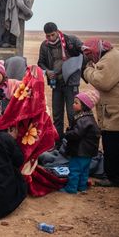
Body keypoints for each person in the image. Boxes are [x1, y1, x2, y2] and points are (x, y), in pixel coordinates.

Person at [0, 65, 64, 196]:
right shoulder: (33, 92)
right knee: (29, 159)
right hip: (29, 134)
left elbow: (13, 110)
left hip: (25, 134)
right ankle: (24, 182)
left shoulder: (23, 90)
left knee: (25, 159)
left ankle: (23, 182)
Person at [37, 22, 83, 144]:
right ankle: (58, 143)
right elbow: (40, 63)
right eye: (48, 36)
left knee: (73, 114)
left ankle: (74, 143)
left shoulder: (70, 40)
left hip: (71, 83)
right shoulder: (44, 46)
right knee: (57, 115)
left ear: (57, 31)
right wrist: (47, 71)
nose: (51, 38)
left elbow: (84, 51)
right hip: (56, 83)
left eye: (53, 35)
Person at [82, 38, 119, 187]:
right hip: (112, 109)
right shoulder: (111, 56)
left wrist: (88, 70)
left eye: (90, 54)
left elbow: (103, 82)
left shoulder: (111, 59)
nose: (90, 58)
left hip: (113, 111)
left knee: (112, 144)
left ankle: (113, 178)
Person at [60, 90, 101, 194]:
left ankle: (71, 188)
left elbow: (76, 134)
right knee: (84, 170)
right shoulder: (89, 118)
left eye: (76, 103)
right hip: (88, 152)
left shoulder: (82, 120)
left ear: (84, 106)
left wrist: (67, 133)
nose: (73, 104)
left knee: (74, 170)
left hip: (79, 151)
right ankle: (82, 187)